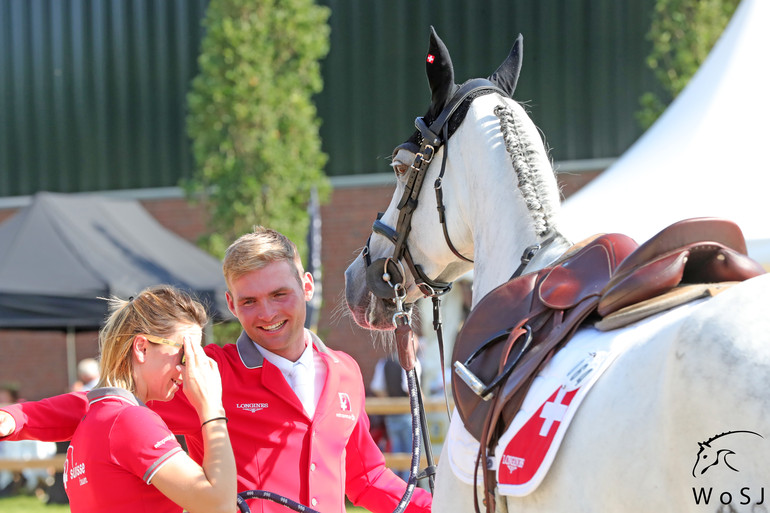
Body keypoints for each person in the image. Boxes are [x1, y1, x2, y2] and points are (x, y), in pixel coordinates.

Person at [0, 227, 432, 513]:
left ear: (307, 286)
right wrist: (15, 419)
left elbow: (366, 477)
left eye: (280, 294)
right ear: (230, 304)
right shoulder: (206, 373)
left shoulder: (346, 371)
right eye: (249, 301)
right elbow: (99, 407)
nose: (267, 313)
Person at [1, 285, 237, 513]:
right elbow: (219, 506)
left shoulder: (96, 416)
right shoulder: (132, 420)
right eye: (186, 354)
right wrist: (212, 408)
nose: (190, 369)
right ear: (142, 348)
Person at [370, 352, 423, 481]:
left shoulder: (384, 362)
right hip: (408, 413)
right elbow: (408, 387)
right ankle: (407, 487)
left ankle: (394, 487)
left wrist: (389, 403)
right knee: (411, 455)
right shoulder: (411, 361)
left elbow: (376, 387)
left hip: (391, 415)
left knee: (395, 452)